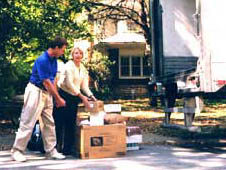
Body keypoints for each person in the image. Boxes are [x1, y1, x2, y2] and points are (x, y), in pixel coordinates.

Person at [11, 36, 68, 162]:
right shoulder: (42, 60)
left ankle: (51, 150)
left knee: (49, 122)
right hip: (35, 91)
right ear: (56, 48)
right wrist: (58, 99)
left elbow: (52, 81)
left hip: (46, 93)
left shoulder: (54, 60)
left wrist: (55, 97)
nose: (63, 52)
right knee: (28, 121)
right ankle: (17, 151)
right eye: (63, 50)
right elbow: (46, 82)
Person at [53, 47, 96, 156]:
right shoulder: (68, 66)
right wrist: (82, 97)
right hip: (63, 95)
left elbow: (84, 86)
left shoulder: (82, 68)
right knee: (59, 122)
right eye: (76, 53)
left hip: (74, 97)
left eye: (80, 53)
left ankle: (67, 149)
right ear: (72, 55)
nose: (78, 55)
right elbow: (69, 84)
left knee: (71, 122)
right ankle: (55, 147)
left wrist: (91, 96)